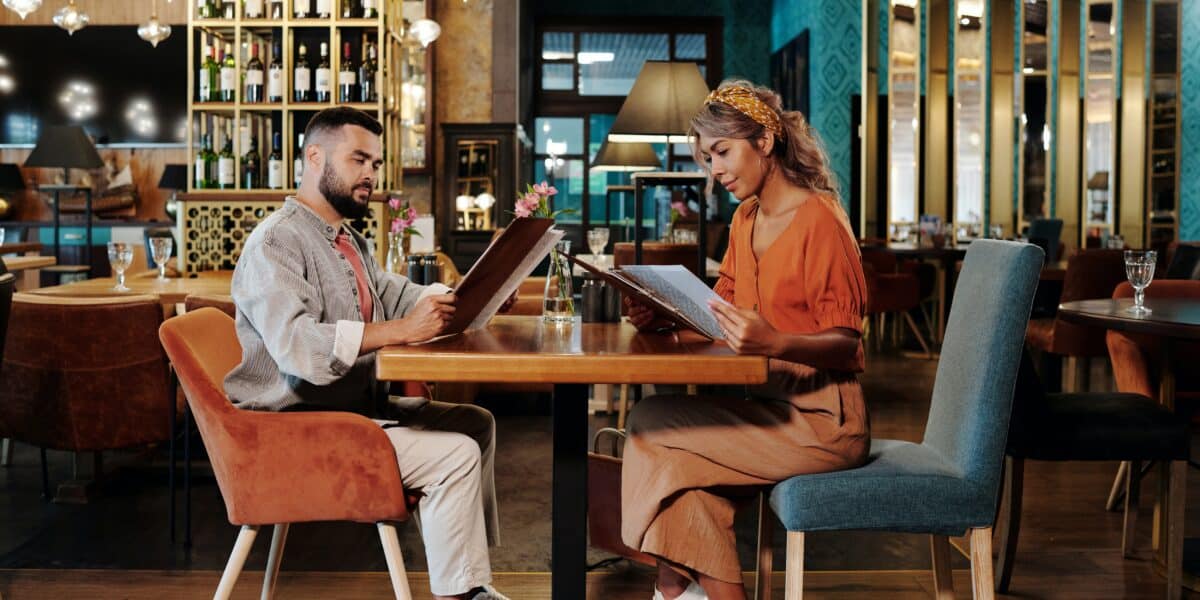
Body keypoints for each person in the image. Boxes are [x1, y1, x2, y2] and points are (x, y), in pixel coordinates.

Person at [225, 106, 509, 600]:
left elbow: (395, 293)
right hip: (292, 431)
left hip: (347, 413)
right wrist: (402, 329)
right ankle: (460, 596)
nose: (370, 177)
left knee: (474, 423)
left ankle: (469, 582)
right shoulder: (276, 241)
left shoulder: (347, 239)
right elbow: (301, 349)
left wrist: (467, 294)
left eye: (375, 164)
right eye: (359, 160)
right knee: (456, 453)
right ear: (314, 156)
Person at [621, 81, 871, 600]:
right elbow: (720, 314)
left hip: (824, 423)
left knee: (653, 432)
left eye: (721, 151)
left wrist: (776, 341)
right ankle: (675, 591)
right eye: (708, 157)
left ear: (765, 140)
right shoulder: (745, 218)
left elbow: (847, 344)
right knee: (673, 461)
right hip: (768, 407)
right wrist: (662, 319)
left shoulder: (820, 220)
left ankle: (671, 589)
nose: (714, 169)